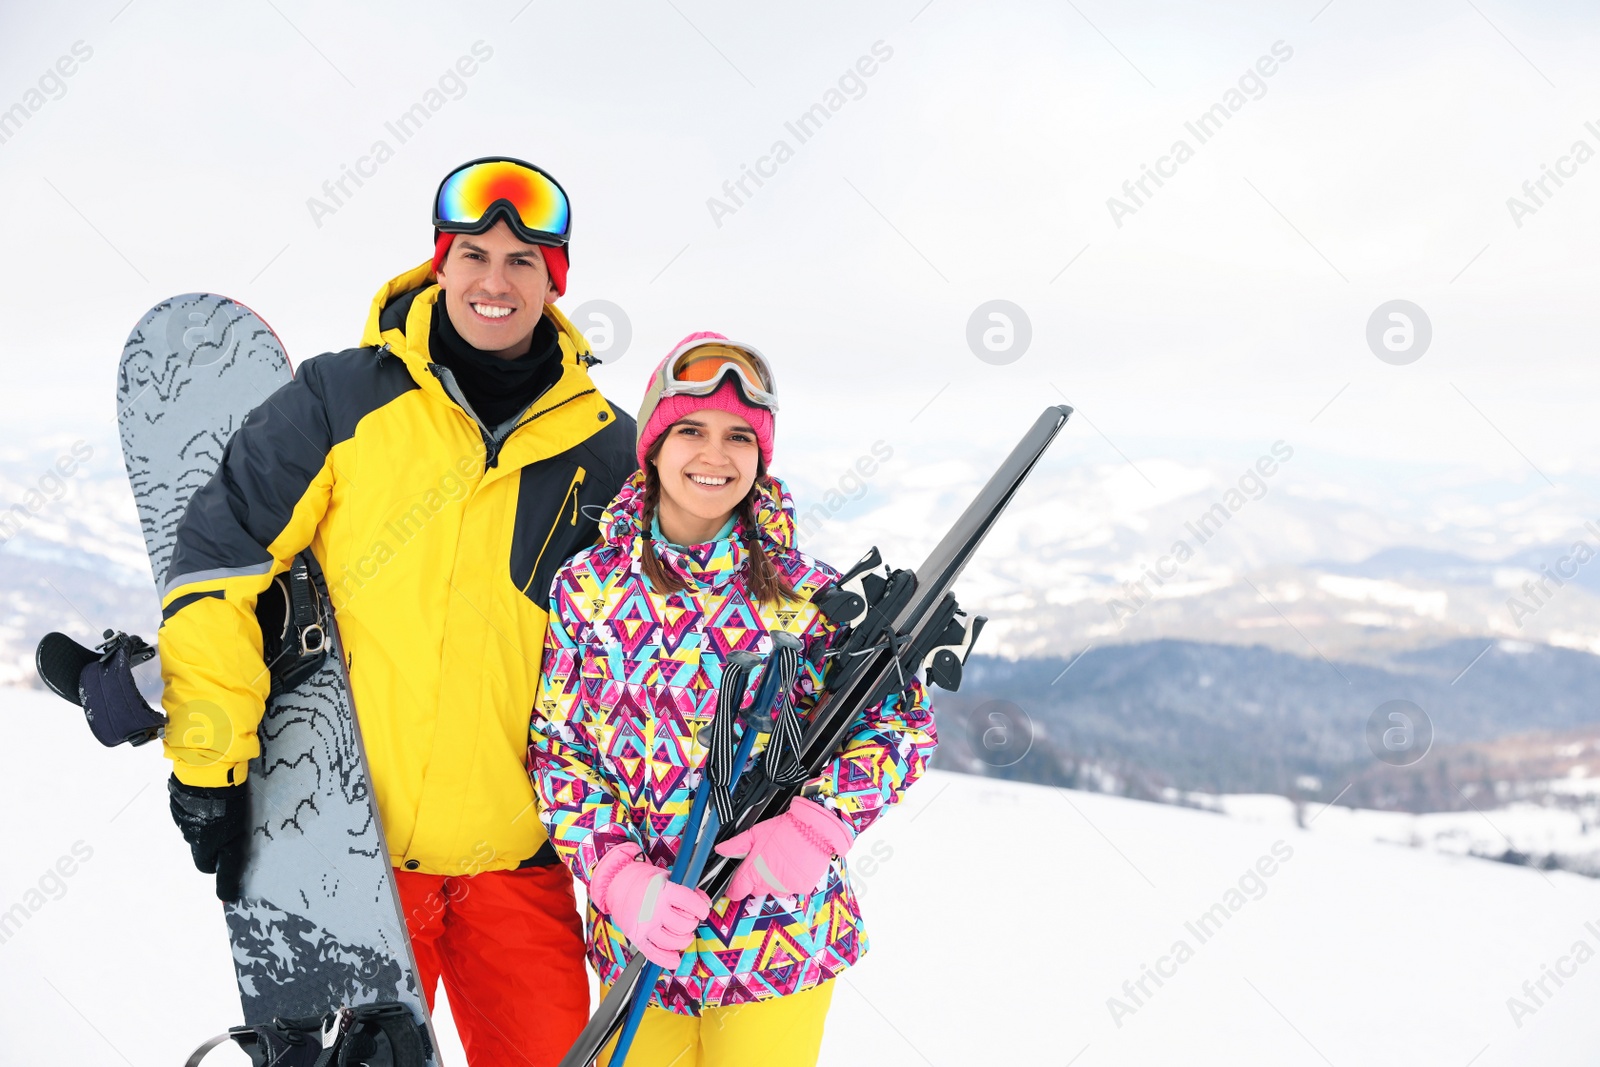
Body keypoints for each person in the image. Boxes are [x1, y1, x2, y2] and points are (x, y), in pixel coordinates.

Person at [158, 157, 636, 1066]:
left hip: (520, 862)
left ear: (555, 281)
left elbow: (652, 642)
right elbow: (217, 569)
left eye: (523, 261)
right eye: (474, 254)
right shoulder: (339, 400)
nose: (495, 280)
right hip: (349, 863)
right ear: (438, 265)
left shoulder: (607, 450)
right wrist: (211, 758)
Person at [529, 333, 937, 1066]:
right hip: (642, 952)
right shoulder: (587, 588)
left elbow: (899, 723)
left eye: (739, 436)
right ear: (652, 443)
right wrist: (621, 880)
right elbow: (560, 753)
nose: (714, 456)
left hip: (777, 948)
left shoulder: (812, 595)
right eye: (691, 429)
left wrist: (815, 827)